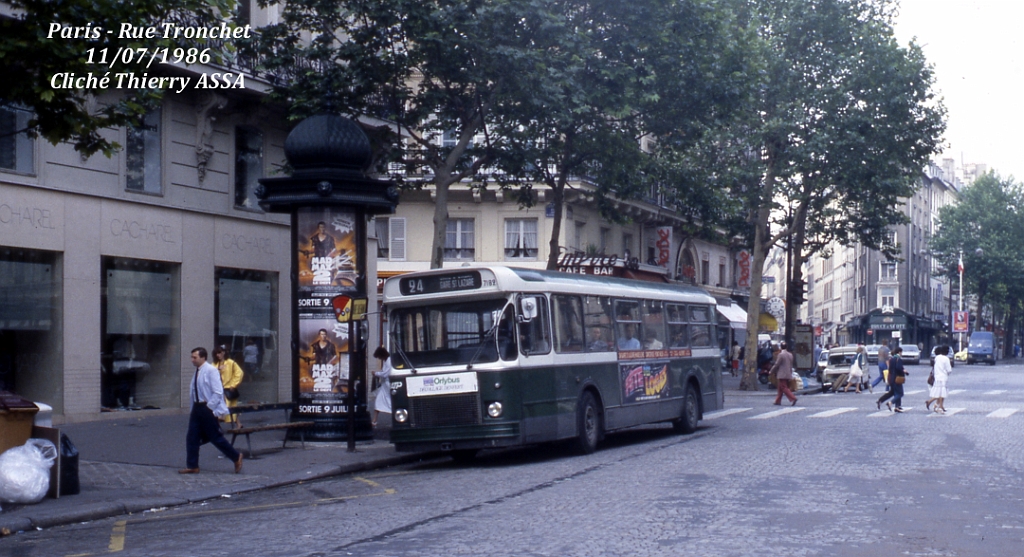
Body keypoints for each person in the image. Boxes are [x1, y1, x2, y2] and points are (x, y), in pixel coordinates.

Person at [180, 347, 243, 475]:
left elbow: (218, 392)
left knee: (214, 436)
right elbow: (194, 391)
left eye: (195, 357)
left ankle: (236, 457)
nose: (192, 360)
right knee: (192, 437)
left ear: (203, 358)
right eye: (192, 357)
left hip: (205, 407)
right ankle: (192, 465)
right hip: (197, 408)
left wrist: (210, 407)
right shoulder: (197, 371)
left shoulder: (210, 371)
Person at [213, 346, 244, 424]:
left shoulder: (231, 363)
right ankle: (238, 425)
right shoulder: (215, 364)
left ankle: (218, 426)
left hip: (228, 389)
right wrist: (218, 369)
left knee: (229, 407)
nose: (218, 355)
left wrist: (233, 384)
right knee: (228, 408)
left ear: (223, 353)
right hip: (219, 389)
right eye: (216, 353)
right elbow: (210, 374)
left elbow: (239, 373)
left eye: (219, 353)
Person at [876, 346, 907, 412]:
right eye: (901, 352)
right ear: (899, 352)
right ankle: (891, 403)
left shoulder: (892, 359)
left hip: (891, 378)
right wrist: (904, 371)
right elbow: (898, 368)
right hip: (897, 378)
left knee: (892, 392)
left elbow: (890, 368)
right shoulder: (899, 359)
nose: (902, 354)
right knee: (900, 393)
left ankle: (881, 401)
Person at [926, 345, 952, 414]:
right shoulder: (946, 359)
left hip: (937, 377)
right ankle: (938, 406)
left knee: (939, 392)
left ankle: (940, 405)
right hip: (943, 377)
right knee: (942, 393)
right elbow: (949, 369)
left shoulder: (937, 358)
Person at [770, 341, 798, 406]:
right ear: (787, 347)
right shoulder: (790, 355)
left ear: (781, 347)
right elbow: (791, 365)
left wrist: (771, 371)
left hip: (782, 374)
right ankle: (777, 401)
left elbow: (777, 364)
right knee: (780, 387)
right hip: (788, 373)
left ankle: (793, 398)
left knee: (783, 387)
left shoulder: (780, 355)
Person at [371, 346, 393, 427]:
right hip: (385, 385)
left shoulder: (389, 361)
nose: (379, 358)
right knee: (378, 400)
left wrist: (376, 373)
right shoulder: (386, 360)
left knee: (389, 402)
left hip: (388, 385)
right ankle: (374, 420)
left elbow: (386, 373)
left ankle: (375, 420)